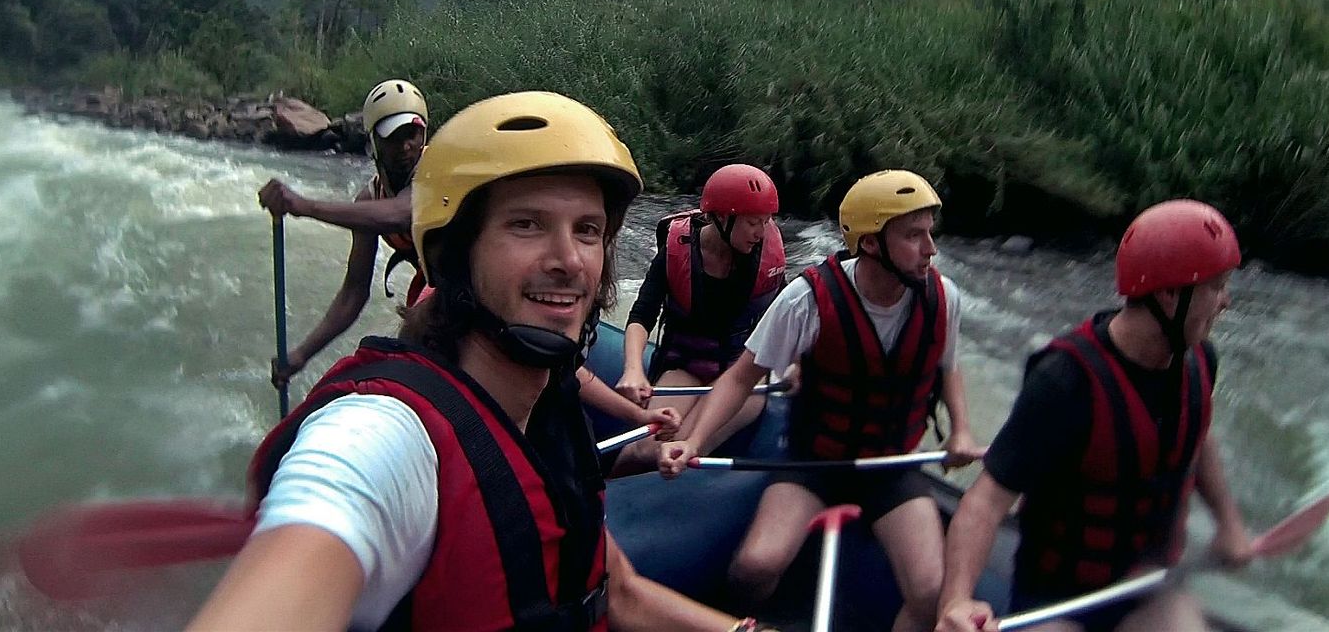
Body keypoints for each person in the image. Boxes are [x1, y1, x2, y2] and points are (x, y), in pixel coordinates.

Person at [191, 90, 774, 632]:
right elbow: (330, 514)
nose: (568, 260)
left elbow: (616, 592)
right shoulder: (383, 436)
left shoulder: (548, 408)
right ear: (455, 254)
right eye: (526, 224)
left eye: (588, 230)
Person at [657, 169, 985, 632]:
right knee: (756, 564)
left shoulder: (943, 297)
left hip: (890, 465)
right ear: (871, 243)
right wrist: (693, 441)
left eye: (929, 233)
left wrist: (963, 429)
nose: (930, 248)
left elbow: (948, 368)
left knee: (932, 592)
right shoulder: (807, 298)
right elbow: (740, 378)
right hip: (814, 462)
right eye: (913, 236)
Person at [934, 199, 1254, 632]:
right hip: (1056, 601)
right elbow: (986, 502)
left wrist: (1229, 523)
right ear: (1169, 293)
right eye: (1215, 287)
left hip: (1147, 594)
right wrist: (956, 599)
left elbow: (1197, 437)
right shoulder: (1065, 380)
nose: (1225, 302)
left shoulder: (1200, 362)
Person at [260, 79, 428, 387]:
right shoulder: (370, 199)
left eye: (413, 135)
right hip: (434, 290)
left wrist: (303, 205)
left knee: (418, 330)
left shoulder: (436, 170)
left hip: (469, 288)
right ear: (374, 143)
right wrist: (301, 355)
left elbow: (400, 214)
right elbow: (353, 293)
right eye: (394, 137)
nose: (407, 146)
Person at [613, 164, 786, 457]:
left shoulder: (766, 255)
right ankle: (605, 493)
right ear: (720, 218)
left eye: (766, 221)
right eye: (753, 222)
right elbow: (642, 315)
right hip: (687, 365)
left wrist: (798, 364)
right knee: (644, 450)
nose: (761, 232)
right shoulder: (677, 250)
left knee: (682, 449)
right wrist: (633, 369)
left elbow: (788, 319)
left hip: (741, 372)